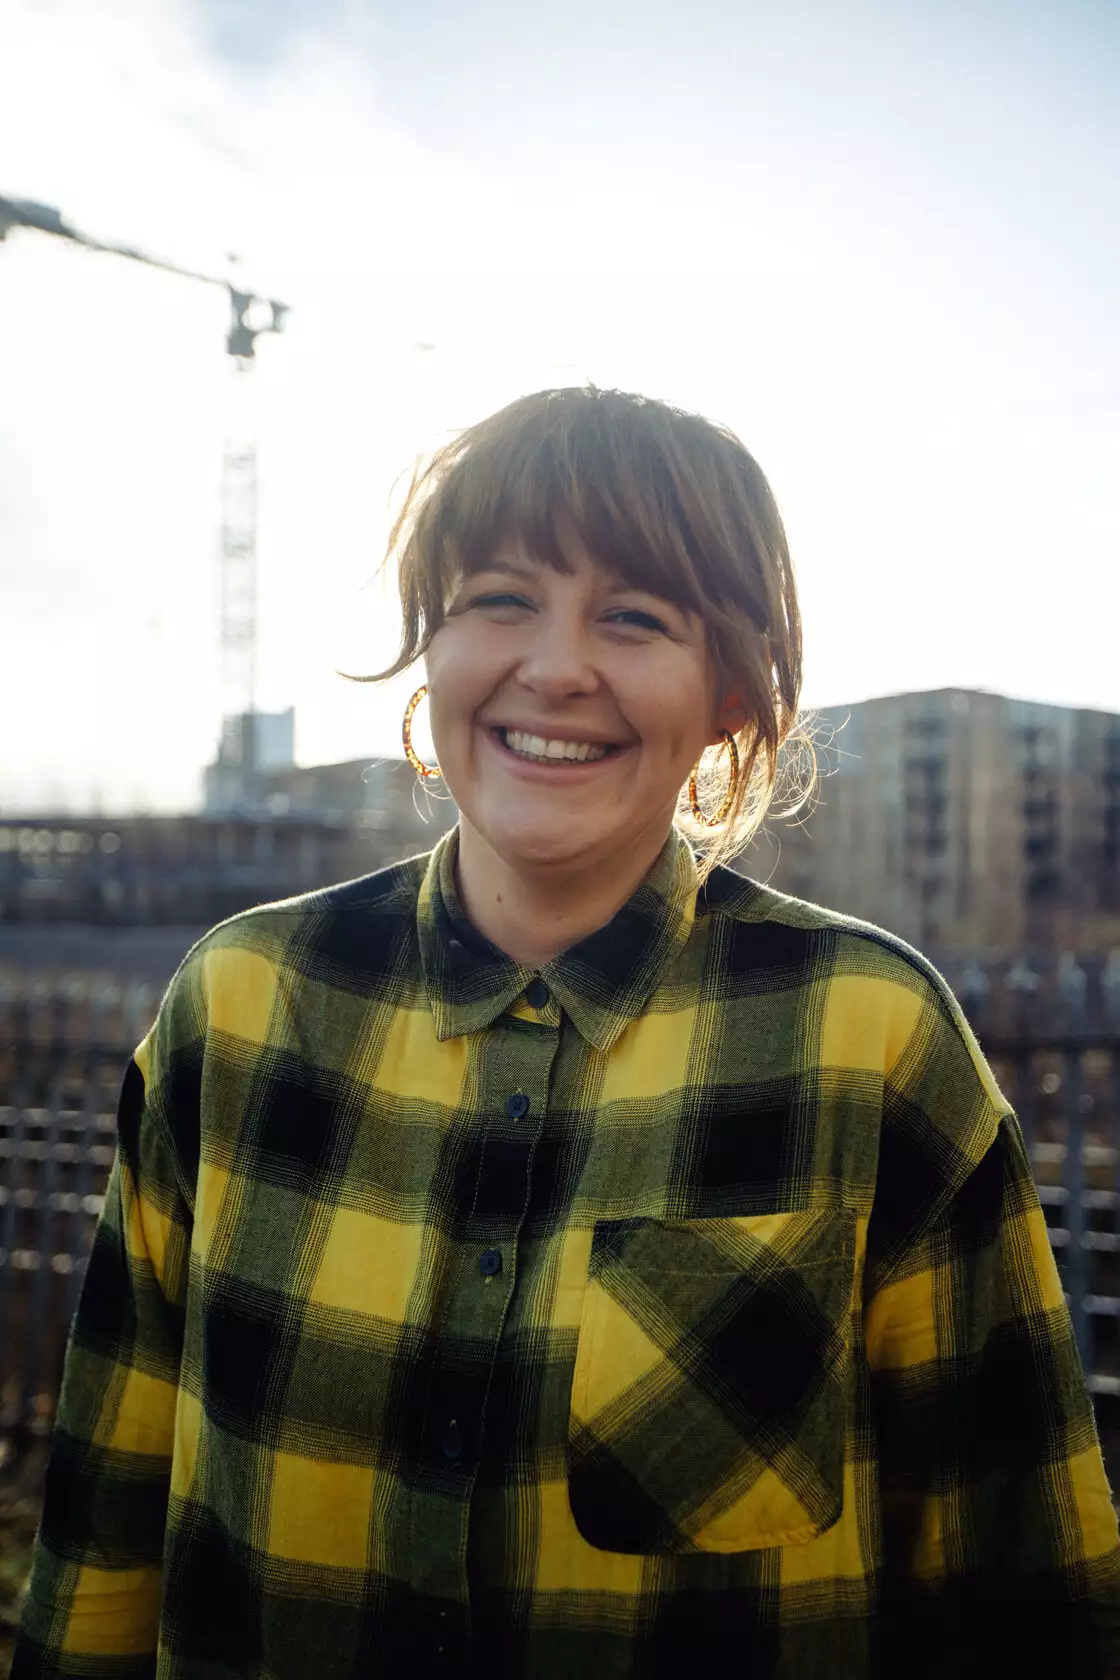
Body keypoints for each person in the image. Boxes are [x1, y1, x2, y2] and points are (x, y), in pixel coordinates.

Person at [13, 386, 1120, 1680]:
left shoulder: (866, 1037)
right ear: (432, 647)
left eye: (636, 617)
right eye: (499, 599)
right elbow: (107, 1517)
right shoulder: (241, 1005)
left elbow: (1022, 1586)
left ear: (729, 696)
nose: (555, 665)